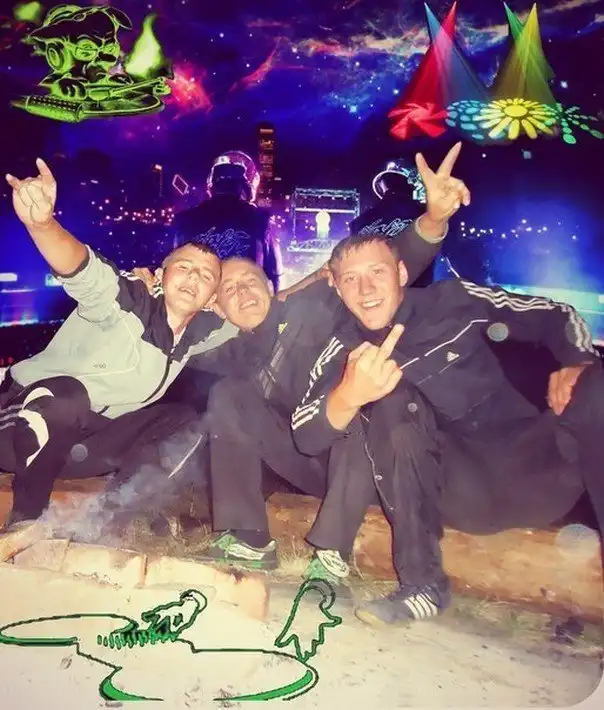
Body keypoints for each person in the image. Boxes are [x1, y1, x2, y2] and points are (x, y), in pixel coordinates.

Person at [291, 180, 603, 625]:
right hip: (456, 491)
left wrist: (578, 361)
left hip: (533, 465)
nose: (366, 289)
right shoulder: (342, 348)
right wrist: (349, 394)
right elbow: (305, 434)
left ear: (401, 273)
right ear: (338, 291)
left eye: (377, 272)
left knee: (595, 385)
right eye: (350, 280)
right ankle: (423, 585)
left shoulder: (452, 300)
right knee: (389, 399)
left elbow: (556, 315)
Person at [190, 143, 471, 586]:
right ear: (219, 307)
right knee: (227, 394)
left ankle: (333, 551)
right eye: (230, 290)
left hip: (368, 464)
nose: (243, 291)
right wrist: (153, 292)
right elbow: (170, 342)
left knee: (356, 398)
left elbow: (382, 264)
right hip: (306, 462)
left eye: (251, 281)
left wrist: (433, 220)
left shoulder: (315, 304)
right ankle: (248, 536)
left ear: (271, 286)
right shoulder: (228, 350)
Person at [0, 159, 235, 533]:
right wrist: (42, 225)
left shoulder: (202, 331)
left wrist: (321, 277)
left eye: (206, 276)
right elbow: (83, 270)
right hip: (19, 428)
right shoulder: (127, 300)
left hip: (82, 448)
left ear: (210, 298)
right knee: (68, 395)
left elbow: (259, 310)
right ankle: (26, 520)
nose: (194, 277)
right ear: (160, 276)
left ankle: (112, 518)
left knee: (183, 421)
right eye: (184, 267)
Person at [173, 151, 282, 292]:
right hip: (242, 300)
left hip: (198, 299)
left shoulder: (185, 219)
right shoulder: (261, 219)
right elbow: (275, 275)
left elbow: (171, 267)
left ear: (212, 185)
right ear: (246, 186)